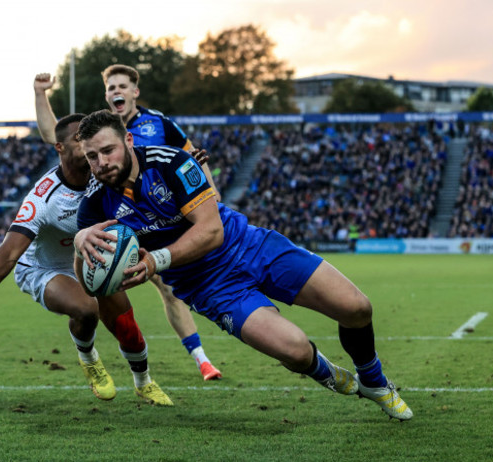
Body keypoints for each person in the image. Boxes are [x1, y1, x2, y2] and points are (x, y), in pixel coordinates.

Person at [73, 110, 413, 421]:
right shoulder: (93, 202)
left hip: (250, 246)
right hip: (210, 288)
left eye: (108, 150)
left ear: (128, 140)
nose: (101, 162)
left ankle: (375, 381)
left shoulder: (171, 162)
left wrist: (155, 261)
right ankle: (326, 372)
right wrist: (79, 244)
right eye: (92, 156)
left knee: (356, 308)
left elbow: (211, 231)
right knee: (295, 352)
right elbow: (92, 282)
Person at [0, 114, 173, 406]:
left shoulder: (106, 177)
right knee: (86, 310)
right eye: (79, 142)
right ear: (60, 148)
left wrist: (183, 163)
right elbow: (10, 251)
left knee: (127, 324)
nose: (89, 149)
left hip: (92, 259)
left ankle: (144, 383)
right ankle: (89, 358)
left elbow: (141, 160)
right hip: (43, 268)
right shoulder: (43, 197)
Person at [34, 68, 222, 381]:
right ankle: (114, 360)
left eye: (123, 85)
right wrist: (41, 94)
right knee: (102, 291)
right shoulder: (96, 127)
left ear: (135, 92)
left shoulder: (159, 122)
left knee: (171, 289)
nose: (116, 91)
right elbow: (52, 134)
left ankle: (201, 358)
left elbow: (194, 157)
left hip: (158, 224)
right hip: (113, 225)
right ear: (107, 95)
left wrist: (212, 194)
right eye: (111, 87)